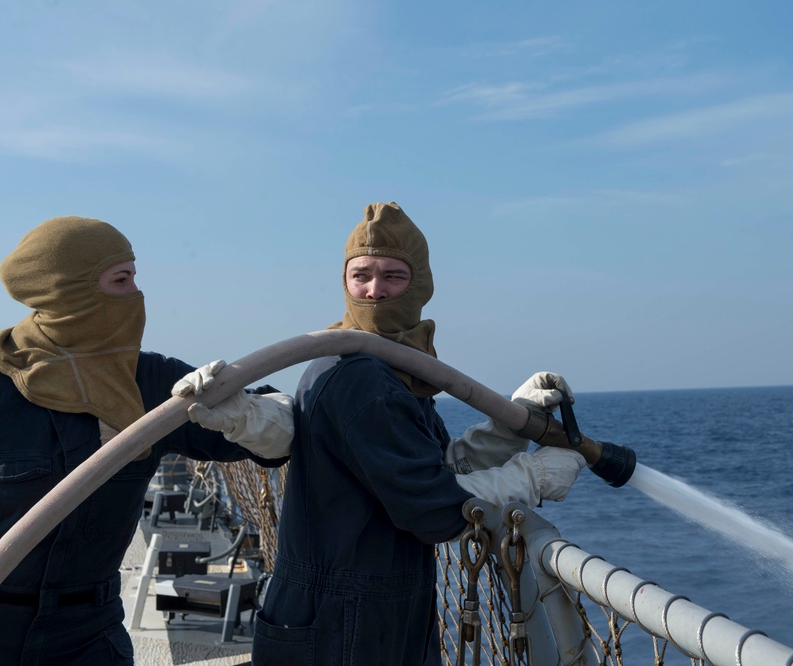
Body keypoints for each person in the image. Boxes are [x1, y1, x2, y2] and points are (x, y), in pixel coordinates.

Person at [188, 202, 587, 665]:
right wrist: (532, 476)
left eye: (392, 276)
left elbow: (426, 468)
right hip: (344, 623)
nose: (374, 291)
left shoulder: (394, 371)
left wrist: (509, 426)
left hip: (360, 612)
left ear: (419, 285)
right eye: (361, 275)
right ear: (344, 281)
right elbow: (434, 508)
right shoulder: (363, 380)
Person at [0, 216, 294, 665]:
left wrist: (249, 415)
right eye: (121, 279)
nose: (136, 294)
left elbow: (275, 440)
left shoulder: (152, 382)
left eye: (135, 277)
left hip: (87, 635)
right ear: (70, 291)